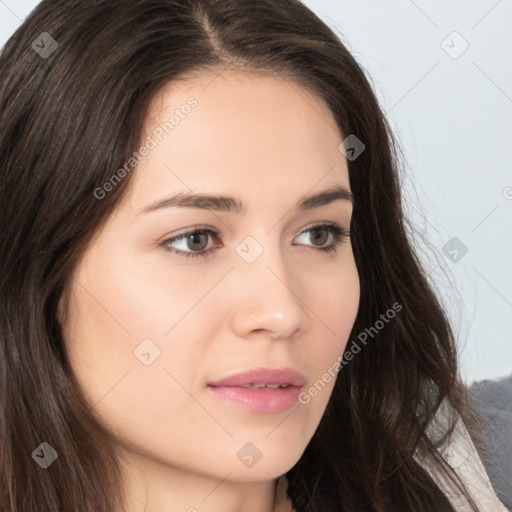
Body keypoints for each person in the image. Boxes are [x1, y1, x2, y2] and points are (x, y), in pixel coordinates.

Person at [0, 1, 508, 511]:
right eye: (195, 239)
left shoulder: (473, 470)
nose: (282, 313)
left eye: (318, 234)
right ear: (41, 274)